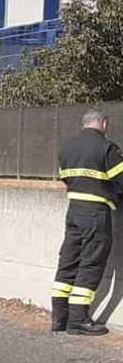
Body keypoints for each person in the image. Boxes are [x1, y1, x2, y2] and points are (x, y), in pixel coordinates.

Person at [52, 108, 119, 335]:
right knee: (91, 263)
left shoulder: (66, 147)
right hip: (95, 212)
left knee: (68, 261)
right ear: (103, 122)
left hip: (73, 211)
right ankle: (78, 320)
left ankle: (59, 318)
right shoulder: (106, 147)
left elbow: (65, 177)